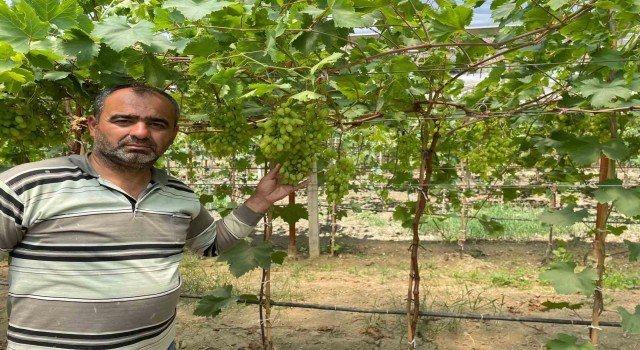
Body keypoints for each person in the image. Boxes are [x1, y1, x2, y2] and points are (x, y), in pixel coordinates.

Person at [0, 84, 305, 350]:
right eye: (124, 120)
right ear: (93, 125)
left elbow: (212, 244)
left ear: (173, 133)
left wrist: (258, 201)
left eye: (157, 124)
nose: (141, 132)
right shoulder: (27, 185)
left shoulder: (179, 194)